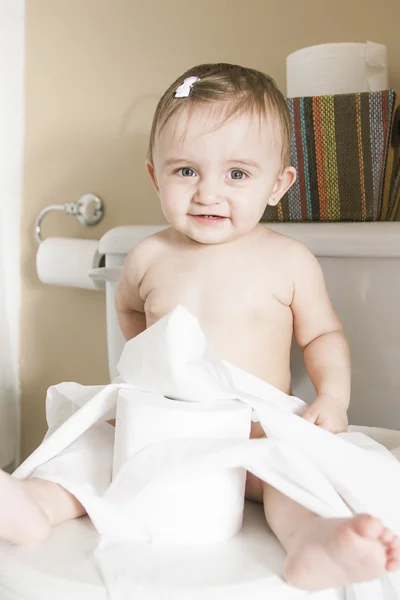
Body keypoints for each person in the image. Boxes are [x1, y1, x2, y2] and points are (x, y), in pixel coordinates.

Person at [0, 63, 399, 591]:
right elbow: (129, 312)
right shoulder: (148, 255)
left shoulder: (289, 260)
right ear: (156, 175)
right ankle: (37, 504)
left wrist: (334, 395)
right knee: (93, 451)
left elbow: (322, 335)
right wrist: (143, 379)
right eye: (187, 171)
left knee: (290, 471)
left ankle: (311, 539)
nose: (208, 192)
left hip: (252, 425)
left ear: (278, 184)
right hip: (160, 424)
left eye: (237, 174)